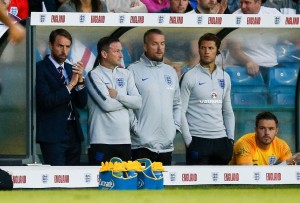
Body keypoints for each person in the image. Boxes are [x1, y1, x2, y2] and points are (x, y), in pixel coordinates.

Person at [128, 28, 181, 165]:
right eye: (154, 44)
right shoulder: (132, 70)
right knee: (142, 186)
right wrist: (136, 129)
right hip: (141, 145)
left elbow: (177, 104)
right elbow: (127, 105)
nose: (159, 48)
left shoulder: (170, 72)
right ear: (145, 46)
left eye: (162, 44)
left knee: (162, 186)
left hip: (166, 145)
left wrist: (173, 128)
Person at [85, 36, 142, 165]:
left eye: (121, 51)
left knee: (125, 182)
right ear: (104, 54)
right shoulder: (94, 75)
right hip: (101, 141)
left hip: (125, 141)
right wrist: (128, 102)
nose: (121, 55)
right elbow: (107, 105)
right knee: (101, 183)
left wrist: (118, 96)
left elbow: (138, 102)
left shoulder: (126, 74)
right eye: (116, 51)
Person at [180, 33, 235, 165]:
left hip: (221, 140)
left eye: (210, 48)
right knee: (196, 184)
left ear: (217, 51)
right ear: (198, 50)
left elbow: (227, 111)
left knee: (221, 184)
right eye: (203, 48)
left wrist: (230, 139)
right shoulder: (189, 76)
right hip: (198, 139)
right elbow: (180, 111)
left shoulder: (225, 77)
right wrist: (188, 141)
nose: (206, 52)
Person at [36, 28, 87, 166]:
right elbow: (46, 101)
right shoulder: (40, 68)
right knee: (57, 179)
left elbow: (82, 104)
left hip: (73, 132)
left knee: (74, 179)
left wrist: (80, 81)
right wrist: (70, 85)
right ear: (51, 45)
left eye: (67, 46)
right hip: (53, 133)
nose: (64, 50)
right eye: (60, 46)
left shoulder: (71, 69)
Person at [230, 111, 300, 165]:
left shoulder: (281, 145)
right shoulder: (244, 143)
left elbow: (289, 172)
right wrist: (286, 163)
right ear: (256, 130)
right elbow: (247, 174)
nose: (267, 133)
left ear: (276, 131)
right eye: (262, 128)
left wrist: (289, 162)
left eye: (271, 129)